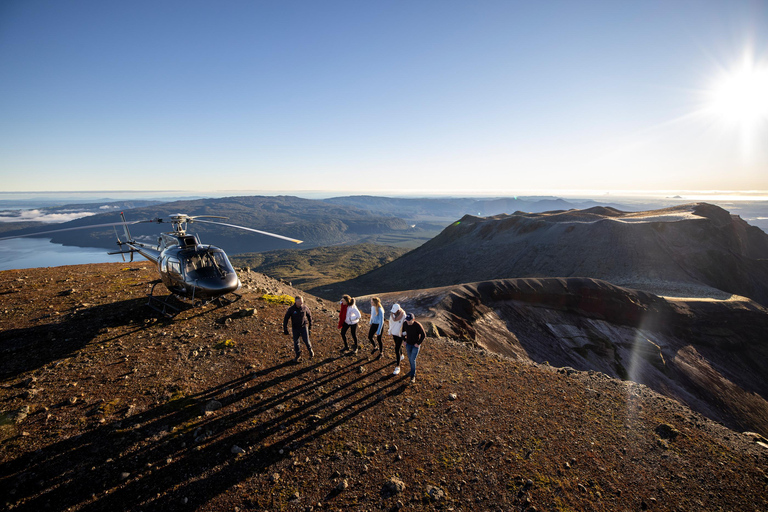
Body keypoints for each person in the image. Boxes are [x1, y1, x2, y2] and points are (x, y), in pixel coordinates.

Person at [282, 295, 314, 363]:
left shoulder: (305, 308)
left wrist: (310, 326)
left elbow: (309, 316)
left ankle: (310, 351)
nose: (301, 303)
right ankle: (298, 355)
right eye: (300, 301)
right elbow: (286, 318)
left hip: (303, 327)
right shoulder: (291, 309)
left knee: (306, 340)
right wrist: (285, 328)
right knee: (296, 343)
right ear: (296, 302)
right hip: (295, 328)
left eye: (302, 301)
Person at [402, 313, 426, 383]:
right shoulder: (405, 324)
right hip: (408, 344)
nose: (408, 322)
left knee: (412, 360)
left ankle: (412, 375)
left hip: (415, 345)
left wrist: (418, 343)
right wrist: (404, 340)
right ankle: (413, 369)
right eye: (407, 320)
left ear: (413, 319)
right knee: (410, 359)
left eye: (409, 321)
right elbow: (403, 332)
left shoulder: (417, 325)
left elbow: (423, 335)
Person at [388, 303, 406, 375]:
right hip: (394, 333)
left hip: (399, 334)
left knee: (396, 348)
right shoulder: (392, 315)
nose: (393, 312)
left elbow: (404, 325)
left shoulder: (403, 315)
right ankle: (401, 355)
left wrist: (404, 335)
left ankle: (398, 366)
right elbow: (390, 323)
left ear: (398, 310)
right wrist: (390, 331)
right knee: (397, 345)